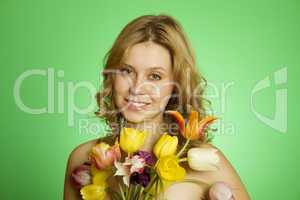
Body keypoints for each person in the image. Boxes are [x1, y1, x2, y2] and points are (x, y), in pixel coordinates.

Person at [64, 14, 250, 200]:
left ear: (176, 86)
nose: (137, 88)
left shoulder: (208, 165)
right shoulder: (83, 159)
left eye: (154, 76)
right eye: (127, 71)